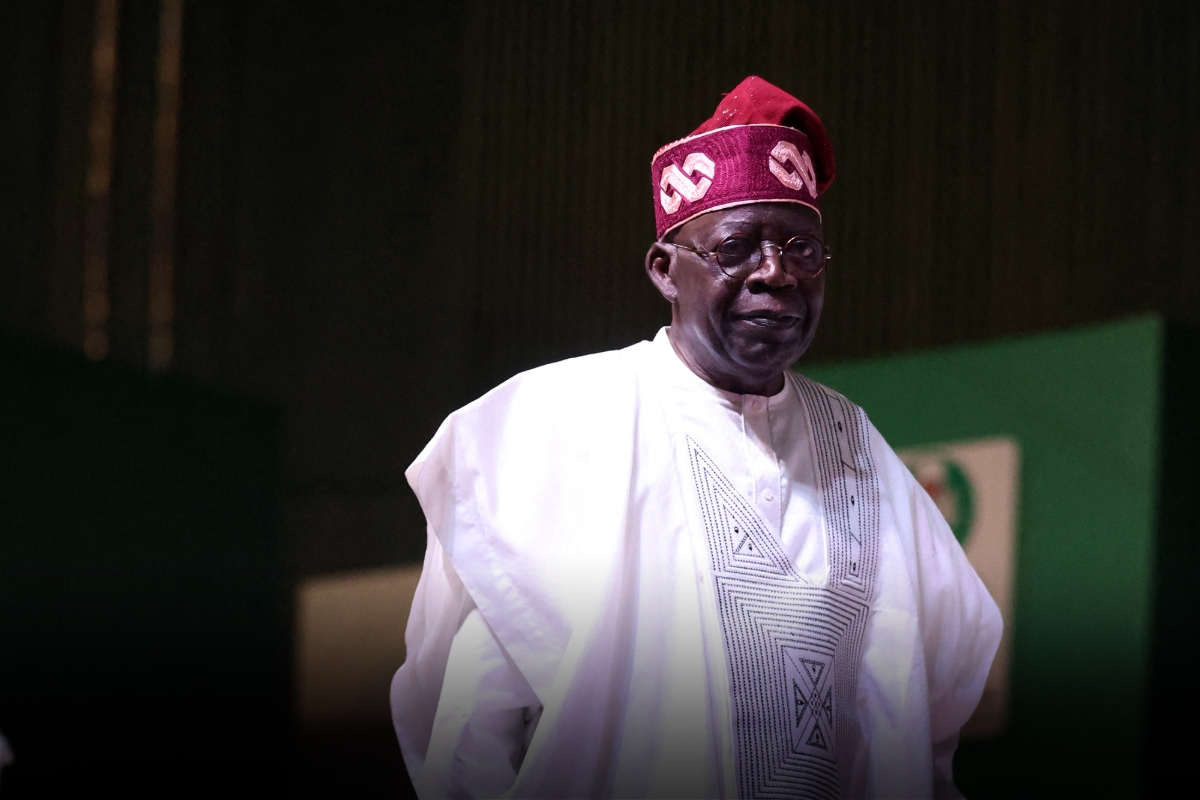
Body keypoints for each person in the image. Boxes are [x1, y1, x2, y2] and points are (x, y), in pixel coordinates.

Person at [391, 76, 1002, 799]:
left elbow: (929, 717)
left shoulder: (858, 448)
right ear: (665, 271)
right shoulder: (561, 425)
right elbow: (467, 730)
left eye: (802, 250)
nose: (775, 274)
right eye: (736, 248)